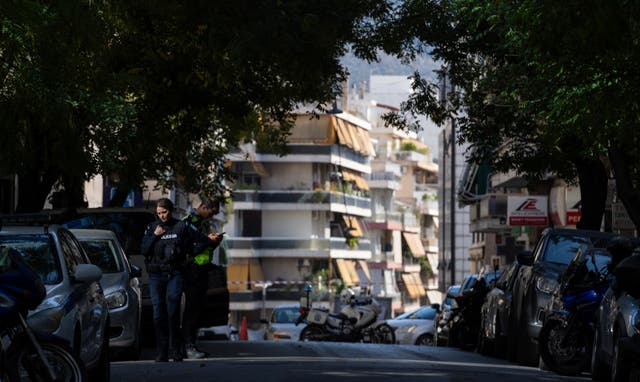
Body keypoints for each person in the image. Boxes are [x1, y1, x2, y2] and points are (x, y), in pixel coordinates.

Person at [141, 198, 205, 362]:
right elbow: (144, 250)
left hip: (175, 273)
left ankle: (174, 350)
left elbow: (199, 241)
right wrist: (154, 236)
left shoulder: (181, 226)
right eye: (159, 213)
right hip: (156, 275)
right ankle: (161, 351)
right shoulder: (152, 227)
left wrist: (192, 254)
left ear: (171, 210)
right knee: (158, 313)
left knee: (173, 311)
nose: (162, 216)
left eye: (165, 212)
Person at [181, 197, 224, 359]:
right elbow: (190, 248)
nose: (212, 216)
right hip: (192, 271)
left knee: (198, 311)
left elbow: (204, 247)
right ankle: (188, 346)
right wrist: (208, 240)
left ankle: (192, 344)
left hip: (202, 270)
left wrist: (214, 242)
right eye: (212, 212)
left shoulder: (203, 223)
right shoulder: (189, 222)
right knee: (191, 311)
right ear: (204, 207)